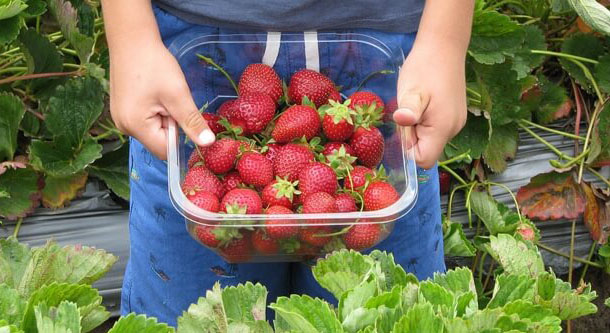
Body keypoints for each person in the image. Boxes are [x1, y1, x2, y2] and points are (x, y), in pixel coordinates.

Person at [101, 0, 474, 326]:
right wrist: (131, 37)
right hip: (191, 63)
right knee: (191, 318)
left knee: (385, 314)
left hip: (386, 58)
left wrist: (445, 38)